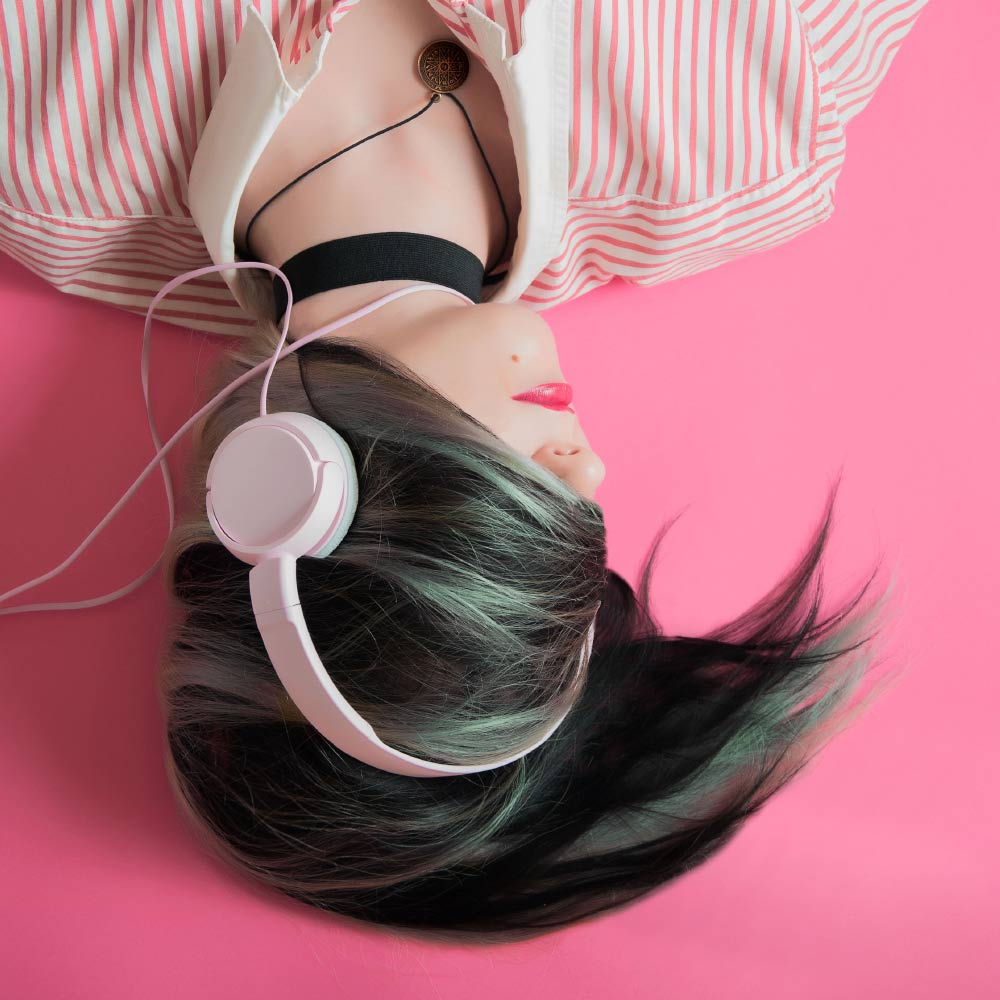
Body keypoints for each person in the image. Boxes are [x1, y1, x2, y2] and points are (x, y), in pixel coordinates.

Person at [0, 0, 924, 942]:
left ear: (290, 492)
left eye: (520, 515)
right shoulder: (751, 126)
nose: (590, 466)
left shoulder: (42, 148)